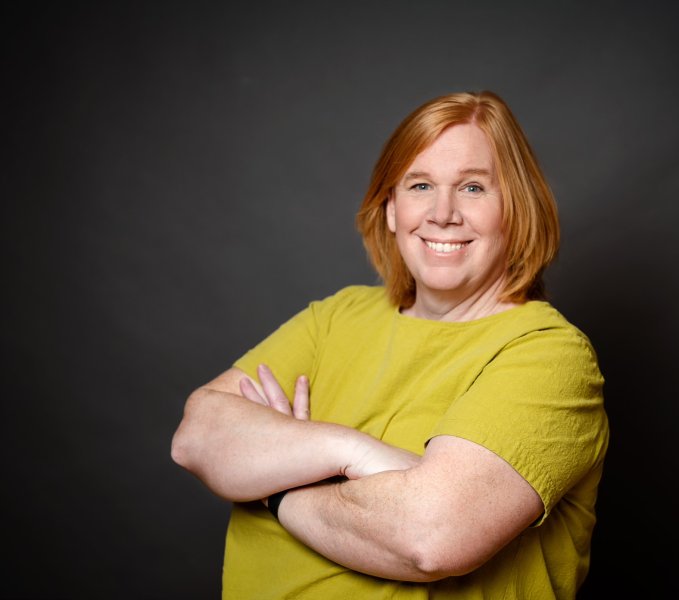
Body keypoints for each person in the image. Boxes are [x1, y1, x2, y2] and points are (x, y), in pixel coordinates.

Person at [171, 91, 609, 599]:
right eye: (420, 185)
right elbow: (196, 436)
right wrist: (348, 451)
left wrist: (277, 484)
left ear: (516, 210)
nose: (443, 213)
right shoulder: (336, 317)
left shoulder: (549, 355)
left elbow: (430, 537)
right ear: (392, 210)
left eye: (472, 187)